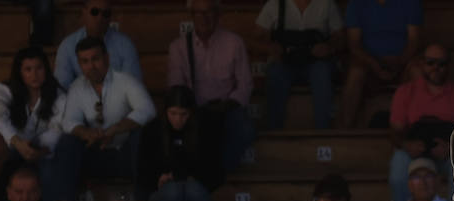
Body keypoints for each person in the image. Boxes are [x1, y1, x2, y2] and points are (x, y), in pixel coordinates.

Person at [48, 38, 156, 201]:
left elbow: (148, 110)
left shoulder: (125, 81)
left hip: (126, 156)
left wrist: (114, 129)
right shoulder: (77, 87)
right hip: (96, 154)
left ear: (107, 58)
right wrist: (86, 133)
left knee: (142, 134)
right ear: (80, 64)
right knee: (68, 141)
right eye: (85, 61)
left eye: (95, 59)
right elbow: (69, 121)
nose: (91, 66)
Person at [137, 85, 222, 201]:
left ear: (191, 112)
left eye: (183, 114)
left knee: (193, 190)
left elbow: (214, 169)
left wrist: (190, 177)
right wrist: (158, 179)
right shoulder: (152, 130)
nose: (178, 119)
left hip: (195, 189)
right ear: (166, 111)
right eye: (173, 113)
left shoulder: (204, 129)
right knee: (173, 190)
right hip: (163, 192)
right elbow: (143, 170)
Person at [166, 0, 254, 173]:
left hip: (227, 107)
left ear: (218, 13)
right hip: (195, 109)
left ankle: (220, 174)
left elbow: (245, 85)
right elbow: (176, 86)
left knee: (245, 130)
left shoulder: (234, 43)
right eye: (198, 13)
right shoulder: (179, 47)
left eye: (208, 12)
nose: (204, 18)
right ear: (191, 16)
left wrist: (225, 107)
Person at [388, 44, 454, 201]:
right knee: (398, 167)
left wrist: (451, 148)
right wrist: (408, 145)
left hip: (447, 152)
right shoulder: (406, 91)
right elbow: (395, 131)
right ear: (421, 64)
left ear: (449, 65)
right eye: (430, 63)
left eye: (441, 63)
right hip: (414, 151)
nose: (436, 68)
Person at [255, 0, 342, 130]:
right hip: (284, 63)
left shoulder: (326, 3)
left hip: (315, 63)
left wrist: (329, 47)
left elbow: (341, 38)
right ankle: (273, 136)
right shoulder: (275, 4)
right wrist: (269, 48)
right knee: (275, 73)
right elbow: (254, 39)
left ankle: (323, 136)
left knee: (322, 72)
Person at [340, 0, 422, 129]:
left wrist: (399, 63)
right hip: (369, 66)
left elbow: (413, 42)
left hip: (402, 64)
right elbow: (354, 45)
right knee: (355, 72)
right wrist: (374, 64)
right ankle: (346, 130)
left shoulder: (411, 2)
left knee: (418, 71)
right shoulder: (356, 4)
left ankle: (420, 128)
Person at [0, 48, 64, 177]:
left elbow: (57, 127)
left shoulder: (57, 93)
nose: (34, 75)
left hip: (42, 151)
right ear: (20, 72)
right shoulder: (4, 90)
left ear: (46, 69)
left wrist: (39, 151)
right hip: (12, 146)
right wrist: (19, 144)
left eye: (39, 68)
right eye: (28, 70)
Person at [53, 0, 143, 89]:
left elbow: (133, 86)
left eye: (106, 14)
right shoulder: (67, 46)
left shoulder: (125, 45)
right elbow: (61, 88)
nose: (100, 18)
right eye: (94, 12)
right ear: (84, 13)